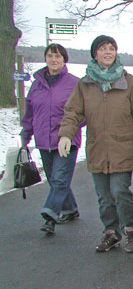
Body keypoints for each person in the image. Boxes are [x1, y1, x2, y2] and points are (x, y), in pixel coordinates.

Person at [58, 35, 133, 253]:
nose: (108, 52)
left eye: (111, 48)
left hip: (123, 147)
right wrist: (66, 135)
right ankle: (111, 233)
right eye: (103, 48)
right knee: (104, 196)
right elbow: (73, 111)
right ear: (95, 54)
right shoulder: (85, 84)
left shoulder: (129, 82)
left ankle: (131, 231)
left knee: (119, 191)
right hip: (97, 148)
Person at [20, 43, 81, 236]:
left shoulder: (74, 83)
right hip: (43, 140)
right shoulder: (36, 84)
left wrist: (70, 129)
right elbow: (30, 112)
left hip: (66, 140)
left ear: (64, 60)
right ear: (45, 58)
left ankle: (50, 215)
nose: (54, 60)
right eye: (50, 56)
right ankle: (70, 209)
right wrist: (25, 135)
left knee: (60, 179)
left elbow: (83, 112)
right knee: (55, 180)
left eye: (58, 56)